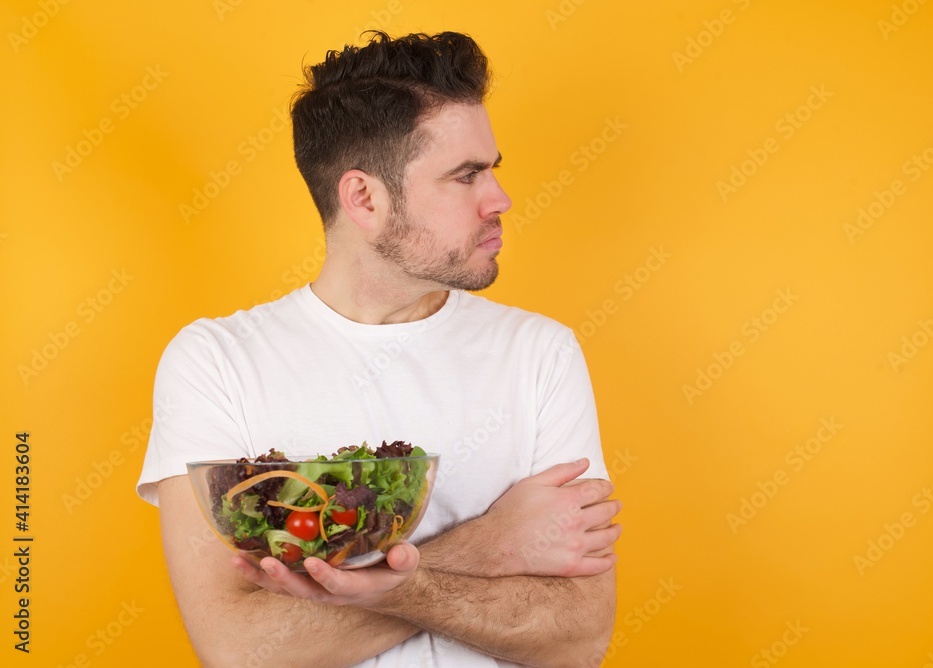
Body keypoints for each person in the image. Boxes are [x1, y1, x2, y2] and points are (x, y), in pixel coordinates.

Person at [137, 31, 621, 668]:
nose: (499, 200)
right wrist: (491, 545)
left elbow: (580, 636)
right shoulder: (216, 362)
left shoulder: (541, 355)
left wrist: (373, 585)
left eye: (493, 169)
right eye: (466, 175)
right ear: (364, 198)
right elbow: (240, 650)